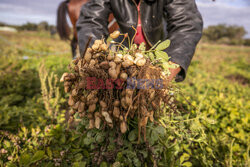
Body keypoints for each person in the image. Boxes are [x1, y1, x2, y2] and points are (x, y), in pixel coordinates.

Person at [76, 0, 203, 82]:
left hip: (158, 54)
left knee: (156, 106)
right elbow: (90, 21)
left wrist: (167, 72)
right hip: (125, 52)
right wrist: (98, 63)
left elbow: (187, 23)